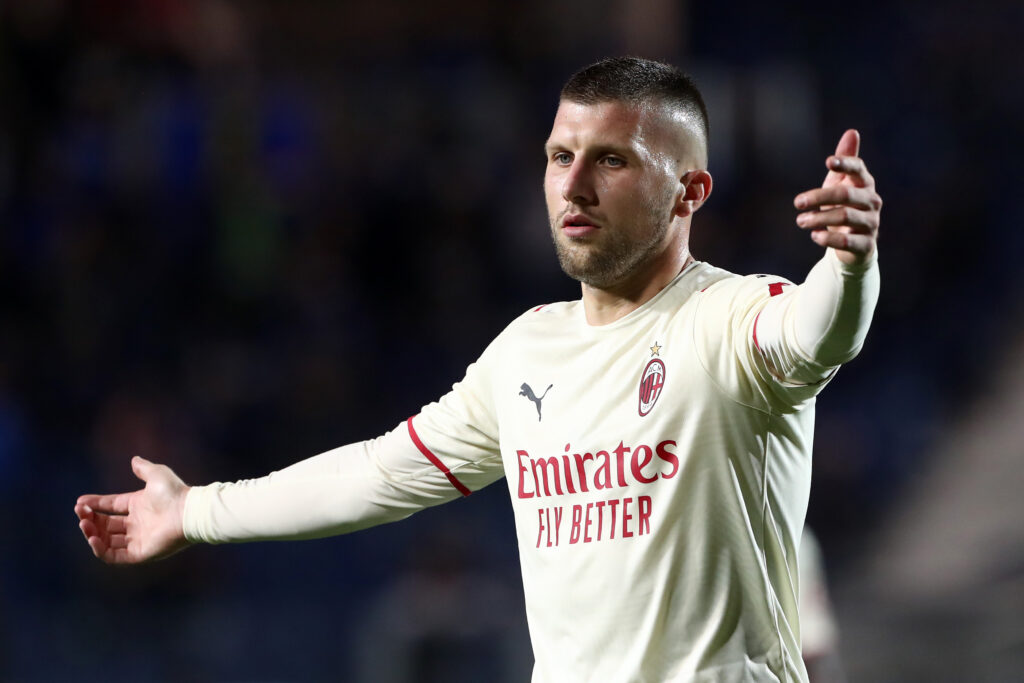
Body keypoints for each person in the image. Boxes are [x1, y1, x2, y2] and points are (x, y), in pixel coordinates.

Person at [75, 57, 881, 683]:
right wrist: (195, 510)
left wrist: (850, 263)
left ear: (688, 191)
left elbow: (819, 330)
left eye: (611, 160)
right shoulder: (526, 353)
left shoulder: (732, 318)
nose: (573, 185)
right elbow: (376, 473)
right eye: (559, 156)